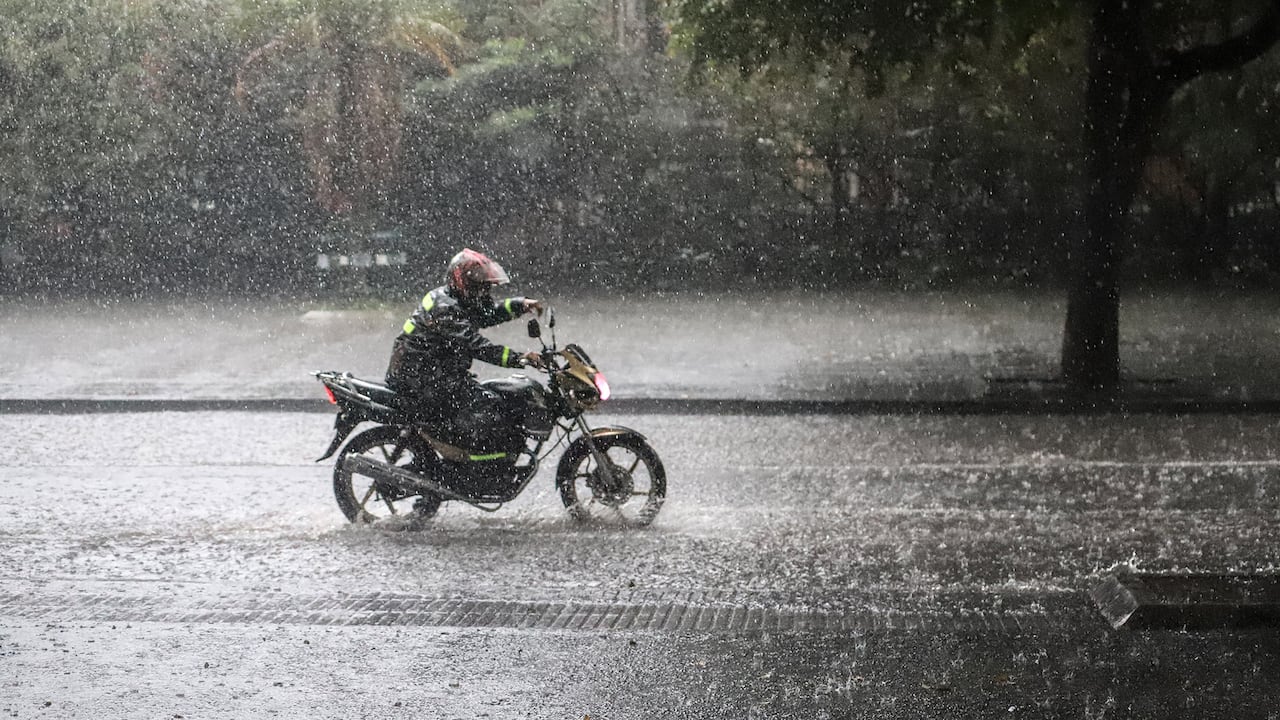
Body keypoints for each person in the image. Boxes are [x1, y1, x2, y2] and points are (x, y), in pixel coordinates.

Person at [385, 248, 543, 449]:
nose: (484, 292)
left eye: (486, 288)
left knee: (490, 399)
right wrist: (519, 358)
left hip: (435, 371)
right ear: (463, 282)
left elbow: (487, 314)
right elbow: (475, 345)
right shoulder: (445, 308)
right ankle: (465, 463)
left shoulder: (456, 299)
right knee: (485, 406)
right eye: (481, 287)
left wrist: (520, 305)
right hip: (421, 377)